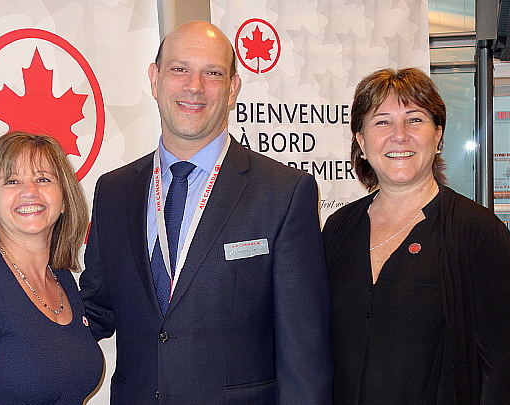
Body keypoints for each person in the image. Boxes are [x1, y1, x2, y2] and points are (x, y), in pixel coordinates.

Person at [79, 20, 333, 404]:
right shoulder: (113, 192)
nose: (194, 86)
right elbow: (96, 307)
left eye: (212, 73)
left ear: (232, 89)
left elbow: (304, 352)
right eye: (179, 69)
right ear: (154, 78)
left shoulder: (284, 193)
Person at [322, 67, 510, 404]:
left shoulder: (478, 234)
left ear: (438, 136)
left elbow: (505, 373)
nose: (399, 135)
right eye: (382, 121)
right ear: (361, 140)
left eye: (414, 120)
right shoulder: (339, 228)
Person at [0, 132, 103, 404]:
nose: (29, 191)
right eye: (12, 181)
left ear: (63, 201)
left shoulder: (62, 281)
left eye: (43, 179)